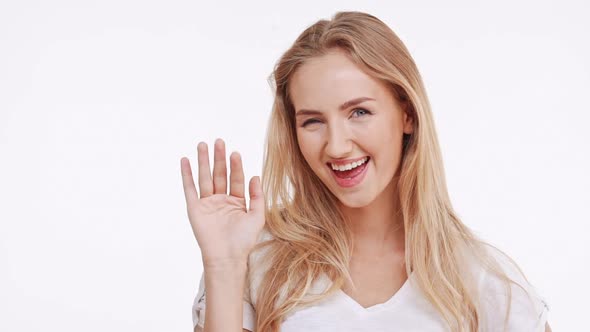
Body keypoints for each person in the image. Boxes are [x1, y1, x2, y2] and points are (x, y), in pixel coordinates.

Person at [180, 11, 551, 332]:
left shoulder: (483, 280)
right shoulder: (256, 260)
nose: (337, 146)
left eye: (359, 112)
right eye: (312, 121)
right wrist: (225, 266)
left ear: (406, 113)